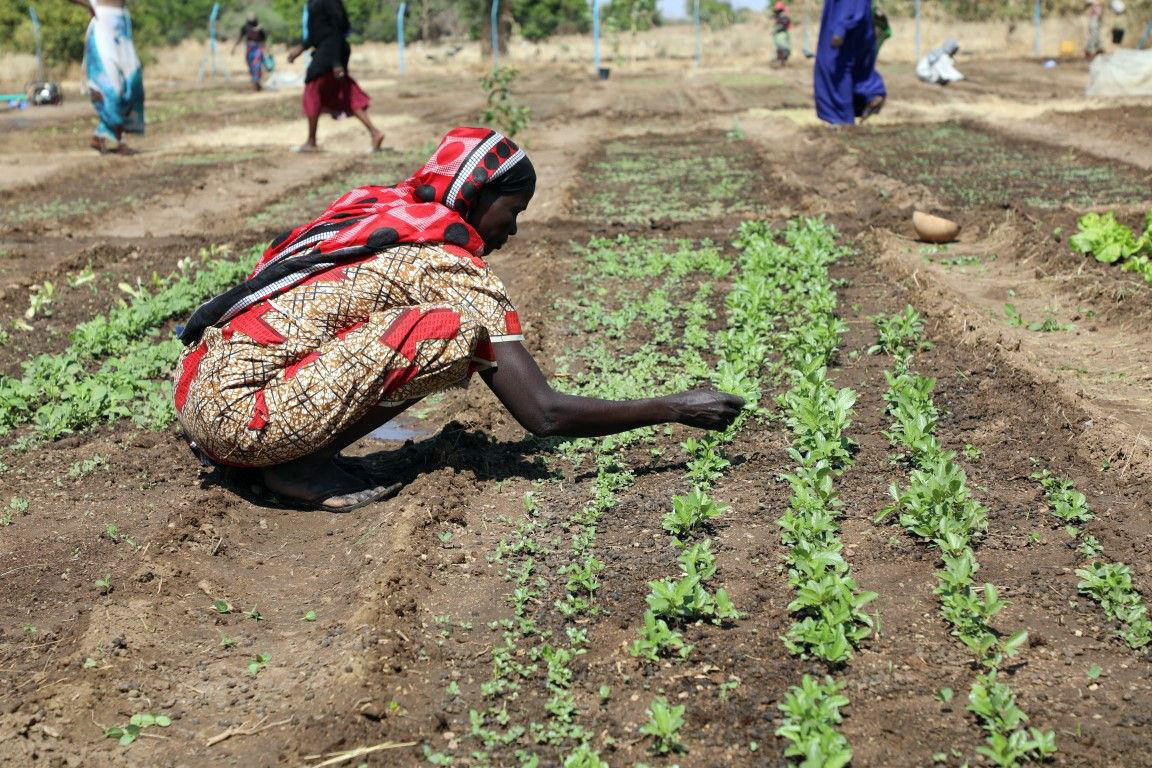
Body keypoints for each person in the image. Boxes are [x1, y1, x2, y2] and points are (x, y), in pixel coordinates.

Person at [173, 127, 745, 511]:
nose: (512, 230)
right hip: (240, 421)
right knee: (451, 335)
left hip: (199, 393)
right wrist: (675, 407)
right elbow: (542, 414)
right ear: (477, 195)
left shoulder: (384, 209)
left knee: (402, 324)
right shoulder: (453, 267)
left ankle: (286, 451)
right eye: (512, 211)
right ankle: (301, 467)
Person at [286, 0, 384, 153]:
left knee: (312, 90)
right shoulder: (313, 2)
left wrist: (336, 61)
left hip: (331, 51)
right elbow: (316, 33)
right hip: (329, 51)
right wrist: (299, 49)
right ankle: (375, 133)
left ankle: (311, 141)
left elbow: (338, 29)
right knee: (343, 94)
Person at [69, 0, 144, 154]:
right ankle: (119, 141)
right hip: (102, 29)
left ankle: (100, 136)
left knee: (132, 84)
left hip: (122, 26)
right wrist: (90, 5)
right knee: (112, 89)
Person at [814, 0, 886, 125]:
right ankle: (870, 92)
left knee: (836, 69)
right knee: (856, 67)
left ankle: (842, 121)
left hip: (846, 26)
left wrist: (841, 28)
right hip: (858, 25)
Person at [232, 13, 270, 91]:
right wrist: (234, 47)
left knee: (257, 65)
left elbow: (263, 40)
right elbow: (240, 37)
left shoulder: (260, 28)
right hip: (249, 49)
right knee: (250, 65)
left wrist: (267, 50)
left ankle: (257, 81)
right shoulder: (245, 27)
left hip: (258, 49)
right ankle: (255, 80)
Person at [772, 3, 793, 67]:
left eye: (777, 10)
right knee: (779, 48)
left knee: (783, 48)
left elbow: (783, 25)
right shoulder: (779, 16)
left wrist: (776, 29)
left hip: (782, 34)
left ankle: (784, 62)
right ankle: (780, 61)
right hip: (779, 35)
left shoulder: (784, 16)